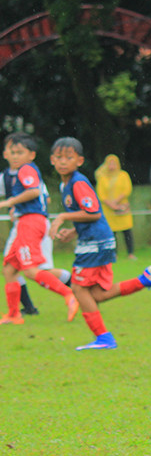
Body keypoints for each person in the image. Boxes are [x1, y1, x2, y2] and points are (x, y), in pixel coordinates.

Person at [48, 137, 151, 350]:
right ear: (52, 159)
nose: (63, 161)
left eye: (69, 157)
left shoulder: (78, 182)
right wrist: (73, 231)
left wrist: (62, 217)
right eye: (59, 157)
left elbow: (93, 212)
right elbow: (90, 216)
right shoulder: (66, 185)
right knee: (96, 295)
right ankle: (145, 279)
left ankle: (104, 338)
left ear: (79, 161)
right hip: (96, 240)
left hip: (95, 243)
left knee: (78, 288)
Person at [0, 132, 79, 325]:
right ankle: (14, 314)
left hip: (30, 223)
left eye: (20, 152)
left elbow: (34, 191)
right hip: (25, 221)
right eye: (12, 152)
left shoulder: (26, 169)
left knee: (30, 270)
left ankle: (69, 294)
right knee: (10, 269)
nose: (15, 155)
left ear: (31, 155)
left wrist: (10, 202)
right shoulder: (17, 172)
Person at [96, 154, 136, 259]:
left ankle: (130, 253)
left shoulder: (123, 175)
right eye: (110, 163)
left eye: (114, 163)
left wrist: (116, 202)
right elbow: (101, 194)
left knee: (127, 231)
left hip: (122, 207)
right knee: (111, 233)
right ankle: (114, 254)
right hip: (108, 209)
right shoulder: (103, 177)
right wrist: (111, 204)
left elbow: (127, 189)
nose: (112, 165)